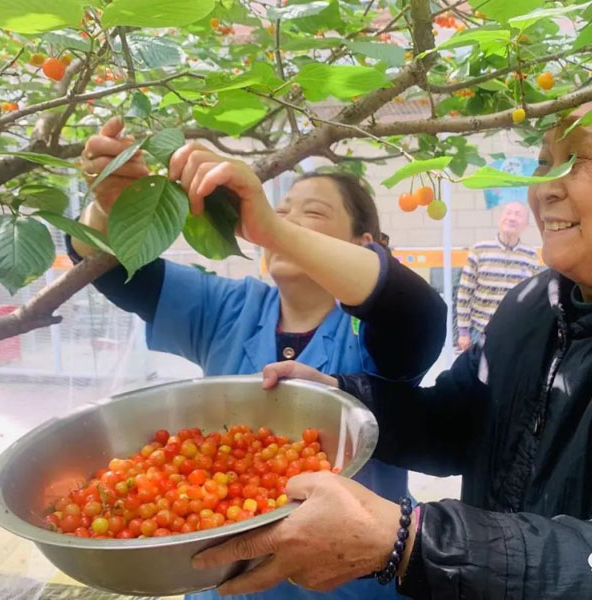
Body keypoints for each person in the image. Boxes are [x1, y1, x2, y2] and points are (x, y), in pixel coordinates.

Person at [190, 97, 592, 599]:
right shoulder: (536, 302)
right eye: (545, 159)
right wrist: (345, 401)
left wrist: (411, 543)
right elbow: (461, 421)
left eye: (576, 159)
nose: (542, 188)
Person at [72, 117, 447, 600]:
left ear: (364, 247)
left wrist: (271, 228)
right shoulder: (229, 307)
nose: (283, 221)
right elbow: (111, 269)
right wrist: (110, 205)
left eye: (310, 214)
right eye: (280, 209)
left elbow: (415, 314)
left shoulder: (368, 332)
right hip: (223, 584)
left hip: (350, 586)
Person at [456, 201, 543, 351]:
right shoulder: (479, 250)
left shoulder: (531, 256)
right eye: (508, 212)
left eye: (518, 214)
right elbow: (465, 293)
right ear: (499, 219)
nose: (512, 218)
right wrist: (463, 332)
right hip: (481, 332)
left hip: (516, 333)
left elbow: (534, 299)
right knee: (478, 374)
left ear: (525, 225)